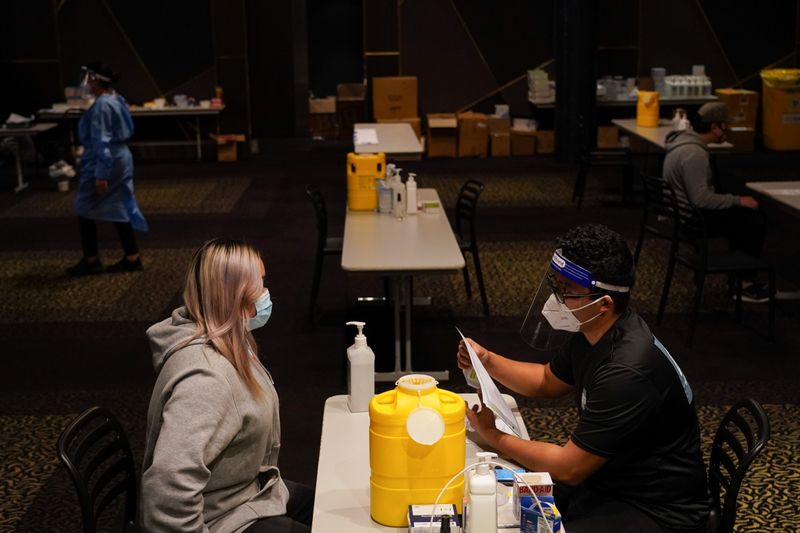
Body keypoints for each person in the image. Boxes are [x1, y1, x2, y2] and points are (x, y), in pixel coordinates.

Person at [457, 224, 710, 533]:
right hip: (611, 479)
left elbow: (569, 467)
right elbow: (547, 380)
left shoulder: (627, 371)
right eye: (555, 283)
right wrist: (488, 361)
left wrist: (493, 436)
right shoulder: (595, 331)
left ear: (603, 303)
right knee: (509, 502)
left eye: (567, 290)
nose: (557, 297)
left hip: (656, 509)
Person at [142, 238, 314, 532]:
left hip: (244, 492)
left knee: (327, 508)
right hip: (220, 519)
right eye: (260, 284)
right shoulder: (206, 379)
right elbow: (168, 487)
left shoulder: (228, 341)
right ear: (236, 295)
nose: (266, 294)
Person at [663, 101, 769, 303]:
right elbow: (701, 198)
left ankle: (739, 278)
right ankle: (744, 283)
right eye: (724, 125)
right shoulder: (695, 154)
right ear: (714, 127)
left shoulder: (680, 143)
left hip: (681, 215)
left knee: (742, 216)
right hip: (692, 221)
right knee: (754, 220)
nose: (727, 129)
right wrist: (737, 200)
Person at [67, 62, 148, 276]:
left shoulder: (102, 105)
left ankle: (91, 259)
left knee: (84, 208)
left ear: (96, 80)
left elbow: (102, 141)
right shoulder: (116, 98)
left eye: (90, 79)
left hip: (106, 159)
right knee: (119, 206)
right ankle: (132, 257)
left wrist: (101, 174)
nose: (88, 83)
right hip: (120, 158)